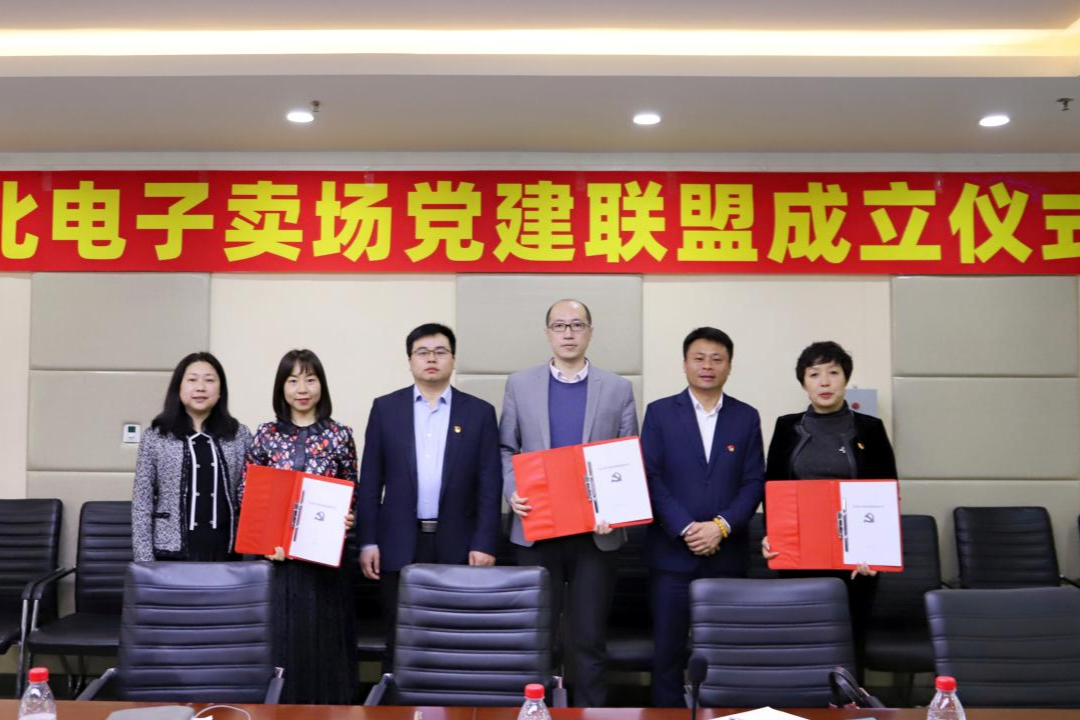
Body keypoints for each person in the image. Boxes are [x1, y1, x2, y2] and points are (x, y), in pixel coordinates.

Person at [500, 298, 638, 707]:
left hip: (596, 534)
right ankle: (534, 711)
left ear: (590, 332)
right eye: (559, 326)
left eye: (577, 325)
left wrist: (617, 509)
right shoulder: (520, 384)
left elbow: (627, 455)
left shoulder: (617, 388)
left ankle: (589, 712)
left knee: (589, 638)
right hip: (537, 528)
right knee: (535, 636)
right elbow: (506, 448)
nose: (568, 333)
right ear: (547, 333)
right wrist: (512, 490)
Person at [357, 322, 503, 665]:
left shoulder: (479, 413)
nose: (431, 359)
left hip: (459, 544)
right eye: (422, 352)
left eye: (440, 352)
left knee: (455, 637)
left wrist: (485, 543)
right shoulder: (386, 409)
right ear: (410, 361)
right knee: (400, 638)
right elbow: (371, 481)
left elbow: (490, 485)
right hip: (398, 543)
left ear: (453, 359)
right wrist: (367, 542)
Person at [641, 327, 765, 707]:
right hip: (671, 557)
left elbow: (753, 483)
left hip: (727, 555)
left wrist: (720, 527)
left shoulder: (746, 417)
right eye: (699, 358)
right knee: (667, 652)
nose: (707, 366)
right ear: (685, 364)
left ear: (729, 366)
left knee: (726, 651)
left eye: (717, 359)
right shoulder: (660, 413)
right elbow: (650, 477)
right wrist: (686, 528)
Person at [761, 340, 898, 677]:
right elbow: (773, 488)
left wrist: (876, 552)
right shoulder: (786, 427)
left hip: (856, 561)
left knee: (849, 644)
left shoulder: (871, 428)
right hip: (798, 555)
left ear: (845, 378)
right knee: (801, 641)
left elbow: (886, 493)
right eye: (814, 374)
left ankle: (849, 702)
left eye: (833, 373)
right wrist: (770, 535)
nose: (824, 382)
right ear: (803, 382)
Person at [243, 349, 358, 705]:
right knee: (284, 644)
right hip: (280, 564)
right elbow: (249, 494)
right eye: (293, 381)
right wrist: (266, 542)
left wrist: (349, 516)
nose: (302, 389)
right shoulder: (266, 434)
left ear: (322, 385)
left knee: (326, 645)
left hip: (326, 566)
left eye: (310, 379)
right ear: (282, 387)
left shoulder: (340, 435)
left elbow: (352, 490)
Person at [132, 352, 251, 563]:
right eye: (192, 380)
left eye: (209, 380)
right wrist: (144, 562)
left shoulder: (239, 435)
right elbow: (142, 501)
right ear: (178, 387)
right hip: (170, 553)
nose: (200, 388)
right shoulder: (156, 436)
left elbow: (251, 495)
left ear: (220, 390)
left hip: (226, 552)